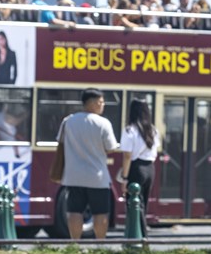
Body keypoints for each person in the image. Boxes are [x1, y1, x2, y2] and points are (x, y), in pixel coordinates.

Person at [59, 88, 121, 240]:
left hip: (73, 175)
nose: (102, 105)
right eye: (100, 102)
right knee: (100, 212)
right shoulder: (103, 123)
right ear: (92, 103)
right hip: (97, 176)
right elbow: (111, 148)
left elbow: (60, 142)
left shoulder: (68, 121)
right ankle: (100, 244)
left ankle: (74, 244)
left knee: (74, 211)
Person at [117, 98, 159, 238]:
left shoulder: (130, 130)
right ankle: (142, 236)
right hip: (150, 168)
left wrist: (124, 178)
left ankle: (139, 238)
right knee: (143, 205)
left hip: (136, 168)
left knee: (134, 205)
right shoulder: (153, 130)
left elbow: (127, 156)